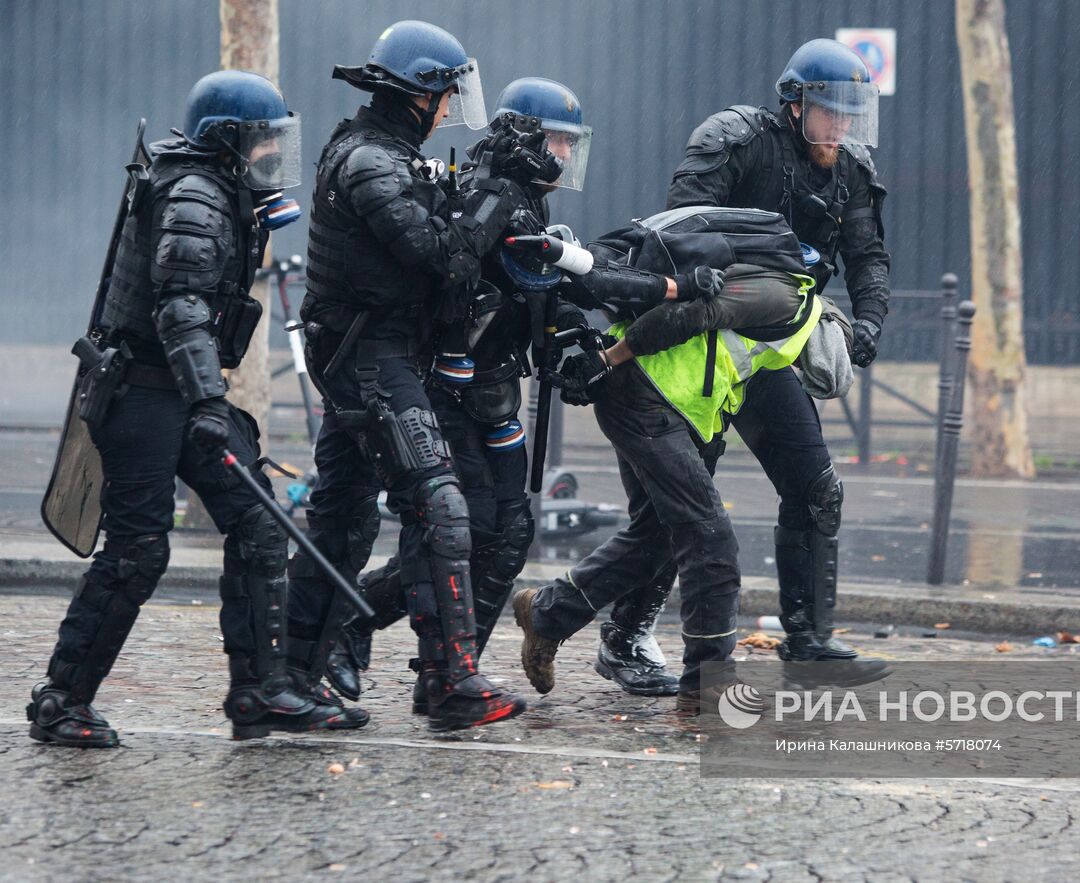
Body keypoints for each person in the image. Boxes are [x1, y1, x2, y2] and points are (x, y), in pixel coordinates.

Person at [26, 71, 353, 746]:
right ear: (227, 140)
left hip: (176, 389)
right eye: (262, 141)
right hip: (145, 394)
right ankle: (61, 698)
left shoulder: (219, 189)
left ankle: (261, 690)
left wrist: (203, 398)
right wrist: (209, 400)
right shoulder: (196, 196)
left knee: (257, 521)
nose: (271, 155)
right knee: (139, 550)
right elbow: (181, 307)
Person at [600, 37, 892, 687]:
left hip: (767, 353)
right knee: (683, 511)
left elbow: (868, 256)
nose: (841, 125)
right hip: (697, 345)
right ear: (794, 107)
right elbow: (679, 228)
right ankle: (624, 635)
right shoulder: (737, 138)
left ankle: (810, 638)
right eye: (829, 111)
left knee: (816, 485)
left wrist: (869, 319)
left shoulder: (853, 169)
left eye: (852, 112)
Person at [286, 20, 548, 732]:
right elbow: (438, 255)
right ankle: (451, 679)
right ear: (416, 94)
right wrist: (491, 201)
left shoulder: (389, 153)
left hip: (376, 355)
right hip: (370, 360)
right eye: (441, 97)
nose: (444, 114)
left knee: (342, 518)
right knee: (440, 504)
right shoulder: (370, 160)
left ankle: (291, 677)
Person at [320, 77, 604, 706]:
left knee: (510, 531)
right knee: (466, 525)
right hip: (449, 389)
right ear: (526, 137)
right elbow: (463, 278)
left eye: (569, 142)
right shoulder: (486, 192)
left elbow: (534, 297)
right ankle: (398, 646)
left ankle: (452, 664)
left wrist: (563, 342)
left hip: (496, 387)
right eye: (557, 139)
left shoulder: (530, 198)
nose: (563, 153)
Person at [512, 205, 844, 711]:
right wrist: (606, 361)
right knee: (711, 540)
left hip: (662, 403)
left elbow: (723, 359)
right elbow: (691, 313)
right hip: (642, 396)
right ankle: (708, 682)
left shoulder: (783, 307)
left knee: (660, 535)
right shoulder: (784, 297)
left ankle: (547, 614)